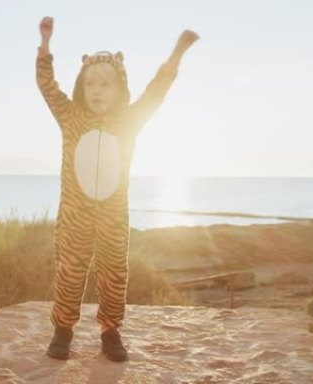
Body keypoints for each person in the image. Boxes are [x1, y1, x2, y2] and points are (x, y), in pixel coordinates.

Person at [36, 16, 198, 362]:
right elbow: (47, 84)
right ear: (82, 86)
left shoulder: (129, 121)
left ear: (120, 88)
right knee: (70, 269)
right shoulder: (70, 117)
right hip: (75, 215)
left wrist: (177, 54)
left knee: (114, 273)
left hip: (112, 216)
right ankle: (62, 330)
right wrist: (46, 44)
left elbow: (156, 92)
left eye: (106, 84)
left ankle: (110, 332)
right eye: (91, 83)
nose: (97, 90)